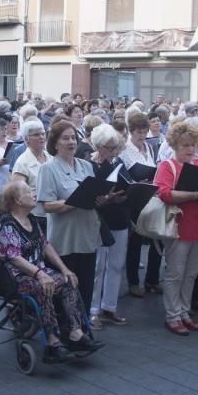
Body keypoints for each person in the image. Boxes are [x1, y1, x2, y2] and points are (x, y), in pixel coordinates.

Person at [0, 181, 102, 360]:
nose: (34, 193)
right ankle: (52, 341)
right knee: (44, 286)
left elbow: (46, 246)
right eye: (28, 191)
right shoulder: (8, 224)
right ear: (17, 200)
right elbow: (14, 258)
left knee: (68, 281)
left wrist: (65, 269)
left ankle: (75, 332)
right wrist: (40, 274)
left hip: (40, 271)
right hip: (18, 276)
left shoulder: (32, 219)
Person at [153, 121, 198, 336]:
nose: (191, 149)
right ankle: (172, 315)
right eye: (185, 145)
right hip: (179, 227)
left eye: (193, 145)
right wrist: (195, 195)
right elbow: (163, 193)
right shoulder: (167, 166)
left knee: (192, 273)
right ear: (175, 145)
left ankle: (184, 312)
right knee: (176, 273)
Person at [37, 120, 101, 313]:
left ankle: (84, 327)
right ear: (55, 143)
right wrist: (76, 201)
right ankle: (67, 329)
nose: (71, 142)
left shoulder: (86, 166)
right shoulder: (48, 169)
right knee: (65, 288)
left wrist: (106, 198)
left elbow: (93, 198)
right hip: (64, 238)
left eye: (73, 137)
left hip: (87, 234)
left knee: (86, 286)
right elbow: (47, 205)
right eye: (65, 138)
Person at [88, 124, 129, 329]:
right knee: (98, 266)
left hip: (119, 217)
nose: (114, 152)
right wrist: (107, 199)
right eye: (110, 148)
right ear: (98, 145)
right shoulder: (90, 164)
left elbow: (125, 183)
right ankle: (93, 310)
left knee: (116, 264)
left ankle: (109, 307)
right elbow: (90, 196)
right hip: (100, 220)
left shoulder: (117, 162)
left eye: (115, 147)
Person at [119, 112, 161, 298]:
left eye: (144, 131)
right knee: (135, 242)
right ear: (131, 131)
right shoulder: (124, 148)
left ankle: (152, 279)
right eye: (138, 132)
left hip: (150, 196)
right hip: (134, 199)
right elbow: (124, 173)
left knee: (157, 238)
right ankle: (133, 282)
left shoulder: (149, 147)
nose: (142, 135)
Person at [10, 119, 51, 227]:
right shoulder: (22, 162)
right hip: (35, 216)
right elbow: (18, 194)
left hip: (53, 214)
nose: (42, 137)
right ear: (27, 139)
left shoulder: (50, 157)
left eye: (43, 133)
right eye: (37, 135)